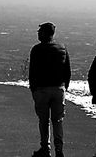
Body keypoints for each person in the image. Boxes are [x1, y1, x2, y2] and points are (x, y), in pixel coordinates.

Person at [29, 22, 71, 157]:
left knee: (44, 120)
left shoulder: (36, 50)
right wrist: (65, 87)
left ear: (44, 33)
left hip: (41, 89)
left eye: (39, 31)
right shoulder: (62, 48)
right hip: (59, 89)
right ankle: (59, 150)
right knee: (58, 121)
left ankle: (45, 149)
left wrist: (33, 89)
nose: (38, 33)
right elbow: (67, 71)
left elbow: (33, 72)